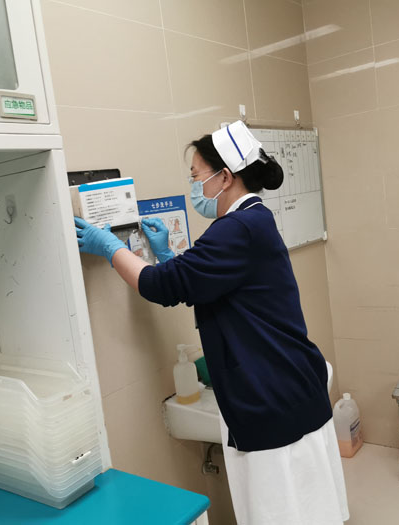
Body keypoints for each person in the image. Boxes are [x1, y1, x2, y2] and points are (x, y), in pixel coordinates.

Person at [74, 121, 349, 525]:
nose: (193, 186)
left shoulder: (236, 228)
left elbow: (159, 286)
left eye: (195, 176)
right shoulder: (254, 218)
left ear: (225, 177)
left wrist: (110, 246)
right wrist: (168, 256)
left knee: (283, 512)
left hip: (272, 398)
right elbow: (206, 284)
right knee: (309, 507)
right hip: (293, 382)